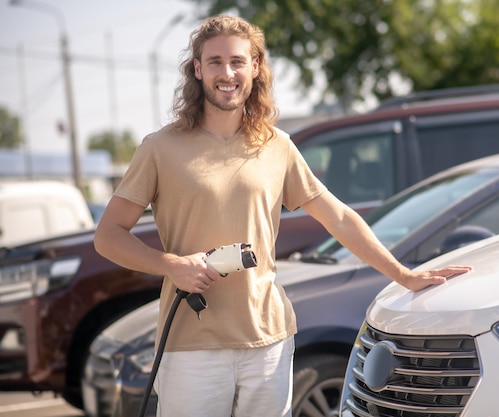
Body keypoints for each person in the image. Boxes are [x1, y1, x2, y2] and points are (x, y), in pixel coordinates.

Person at [94, 14, 472, 417]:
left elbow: (339, 218)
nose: (228, 72)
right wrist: (171, 265)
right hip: (192, 346)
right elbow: (109, 235)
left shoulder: (277, 146)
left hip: (268, 341)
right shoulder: (159, 148)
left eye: (238, 61)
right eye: (216, 61)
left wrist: (405, 275)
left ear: (255, 68)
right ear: (198, 69)